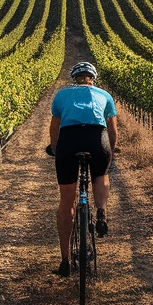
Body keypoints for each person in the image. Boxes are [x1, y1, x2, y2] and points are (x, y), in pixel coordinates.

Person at [45, 61, 118, 277]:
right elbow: (112, 130)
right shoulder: (104, 95)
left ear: (73, 79)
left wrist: (57, 151)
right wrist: (108, 154)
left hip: (69, 142)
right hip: (97, 139)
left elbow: (54, 128)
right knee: (101, 175)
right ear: (93, 78)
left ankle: (65, 261)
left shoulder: (61, 95)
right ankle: (102, 213)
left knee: (66, 202)